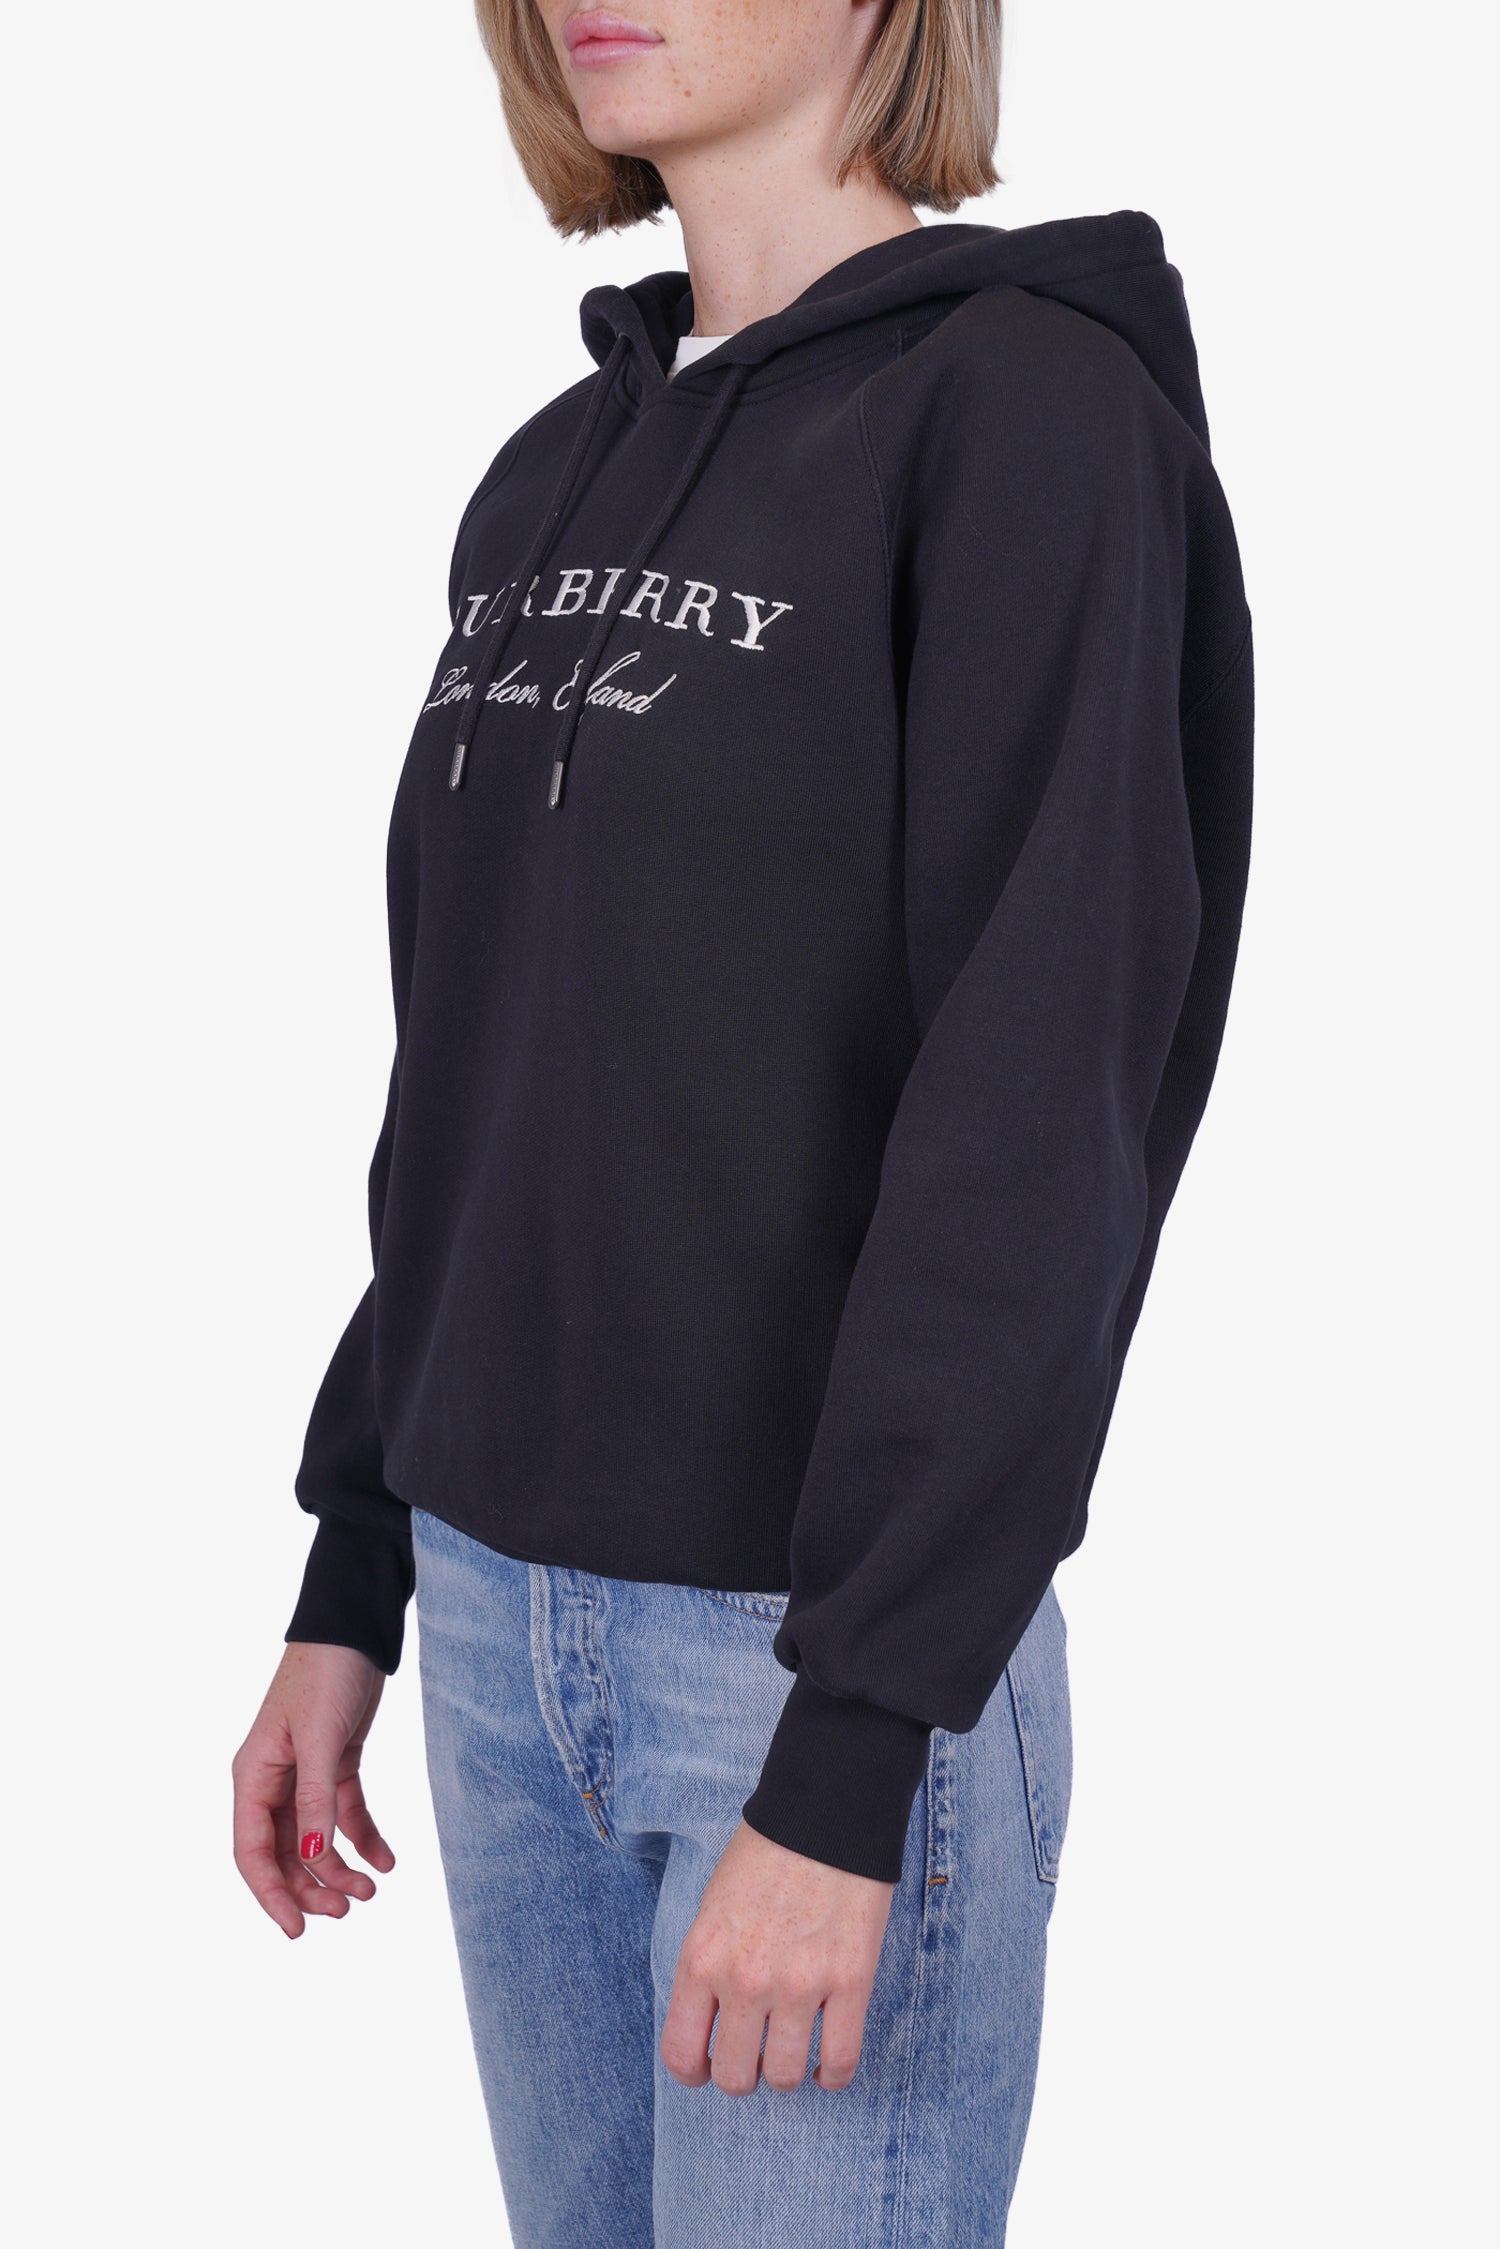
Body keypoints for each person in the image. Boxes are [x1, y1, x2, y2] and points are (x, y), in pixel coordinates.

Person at [232, 2, 1254, 2240]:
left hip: (800, 1662)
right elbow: (480, 1073)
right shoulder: (548, 477)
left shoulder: (1033, 415)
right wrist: (356, 1568)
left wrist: (858, 1740)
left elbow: (1043, 1105)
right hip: (490, 1625)